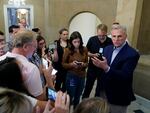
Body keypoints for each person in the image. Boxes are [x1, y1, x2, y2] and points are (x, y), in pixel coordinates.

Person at [91, 25, 140, 113]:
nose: (116, 39)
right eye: (114, 36)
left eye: (119, 36)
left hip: (118, 95)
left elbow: (125, 75)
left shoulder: (132, 54)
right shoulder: (107, 49)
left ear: (125, 36)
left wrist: (106, 68)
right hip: (103, 92)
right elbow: (102, 71)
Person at [0, 30, 49, 101]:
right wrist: (49, 82)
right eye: (34, 46)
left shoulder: (1, 59)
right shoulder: (30, 68)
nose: (35, 50)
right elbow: (40, 100)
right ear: (25, 47)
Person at [82, 24, 112, 98]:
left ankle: (96, 105)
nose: (101, 37)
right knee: (88, 86)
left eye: (103, 35)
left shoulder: (110, 41)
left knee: (100, 88)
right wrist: (93, 55)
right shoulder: (92, 39)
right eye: (99, 35)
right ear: (97, 32)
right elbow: (86, 52)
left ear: (106, 33)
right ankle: (84, 102)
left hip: (103, 69)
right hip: (92, 67)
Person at [62, 31, 88, 109]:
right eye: (75, 42)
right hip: (72, 77)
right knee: (70, 96)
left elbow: (87, 62)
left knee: (78, 96)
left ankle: (76, 110)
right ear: (71, 42)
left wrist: (83, 64)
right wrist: (71, 64)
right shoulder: (68, 50)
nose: (77, 44)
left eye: (78, 41)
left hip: (82, 76)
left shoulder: (84, 49)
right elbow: (63, 64)